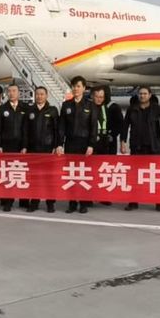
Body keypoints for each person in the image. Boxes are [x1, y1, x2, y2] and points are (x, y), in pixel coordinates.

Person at [120, 86, 160, 211]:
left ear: (150, 95)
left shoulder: (157, 109)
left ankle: (158, 202)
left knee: (155, 176)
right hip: (137, 147)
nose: (142, 96)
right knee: (134, 175)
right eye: (140, 94)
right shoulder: (132, 109)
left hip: (153, 147)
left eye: (145, 93)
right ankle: (133, 201)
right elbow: (125, 126)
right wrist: (123, 142)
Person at [59, 76, 98, 214]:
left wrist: (91, 145)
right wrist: (59, 144)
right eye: (74, 86)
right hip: (70, 143)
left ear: (84, 88)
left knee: (83, 174)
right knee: (71, 173)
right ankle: (72, 202)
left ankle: (84, 203)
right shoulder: (66, 105)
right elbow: (62, 126)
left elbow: (94, 127)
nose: (76, 89)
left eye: (78, 86)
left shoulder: (90, 105)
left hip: (84, 144)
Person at [22, 86, 62, 212]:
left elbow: (57, 130)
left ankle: (50, 203)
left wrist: (57, 146)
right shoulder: (30, 110)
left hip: (48, 149)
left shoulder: (52, 110)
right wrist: (24, 146)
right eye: (37, 94)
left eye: (42, 94)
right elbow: (25, 130)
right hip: (33, 149)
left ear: (46, 95)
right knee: (34, 177)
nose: (39, 96)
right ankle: (34, 202)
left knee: (48, 177)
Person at [0, 83, 28, 212]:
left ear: (19, 93)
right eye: (9, 91)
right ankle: (7, 201)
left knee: (22, 173)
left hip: (21, 146)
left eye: (14, 91)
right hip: (7, 145)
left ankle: (24, 200)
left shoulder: (25, 108)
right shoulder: (3, 108)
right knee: (8, 174)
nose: (11, 93)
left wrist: (25, 146)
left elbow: (26, 129)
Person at [91, 85, 123, 206]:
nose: (99, 99)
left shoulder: (112, 107)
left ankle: (104, 196)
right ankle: (90, 196)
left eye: (102, 96)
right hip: (94, 143)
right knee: (93, 170)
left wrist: (112, 134)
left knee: (106, 171)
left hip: (108, 144)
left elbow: (120, 124)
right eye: (97, 96)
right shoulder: (91, 107)